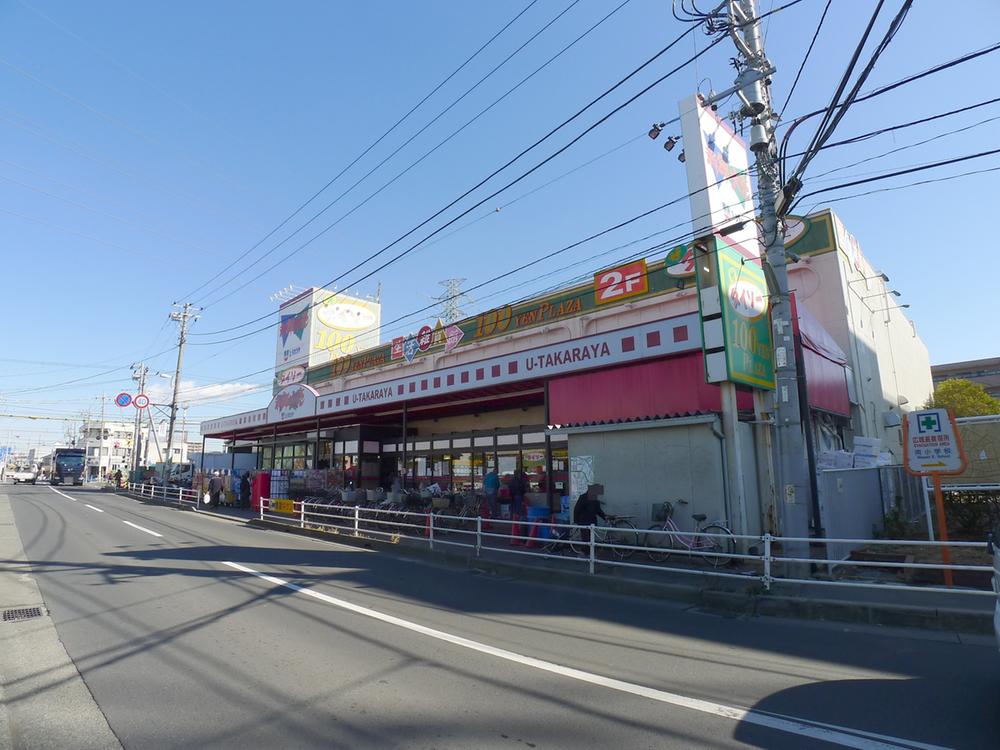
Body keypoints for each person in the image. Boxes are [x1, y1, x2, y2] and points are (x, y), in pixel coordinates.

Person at [573, 483, 607, 551]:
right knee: (586, 539)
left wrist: (605, 517)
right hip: (584, 522)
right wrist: (576, 521)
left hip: (591, 522)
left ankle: (589, 554)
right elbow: (577, 509)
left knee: (590, 539)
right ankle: (585, 553)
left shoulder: (594, 499)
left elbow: (598, 510)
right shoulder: (583, 497)